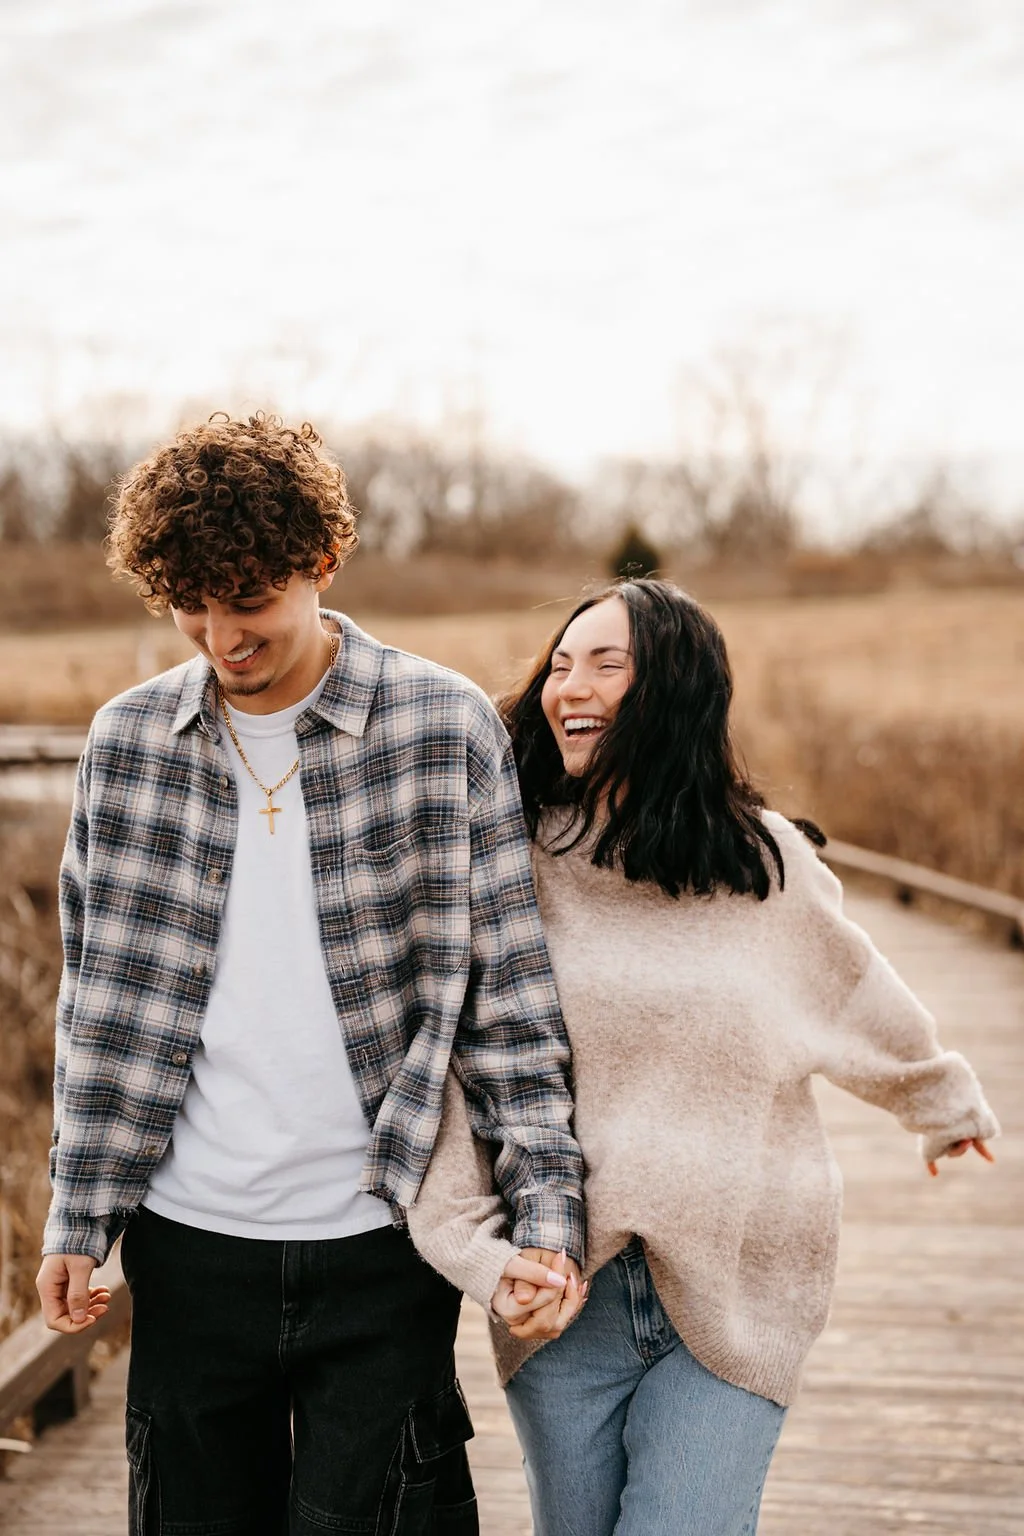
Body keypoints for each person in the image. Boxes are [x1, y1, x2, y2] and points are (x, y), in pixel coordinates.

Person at [35, 412, 584, 1536]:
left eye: (250, 601)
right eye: (191, 604)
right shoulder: (127, 742)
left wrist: (546, 1213)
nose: (221, 636)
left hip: (383, 1241)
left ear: (321, 565)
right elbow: (100, 1007)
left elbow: (508, 1001)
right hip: (188, 1252)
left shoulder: (442, 726)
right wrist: (76, 1213)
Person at [407, 577, 999, 1536]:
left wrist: (938, 1098)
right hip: (568, 1295)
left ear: (675, 688)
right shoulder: (511, 861)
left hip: (742, 1278)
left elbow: (851, 985)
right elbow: (467, 1068)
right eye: (560, 664)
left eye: (607, 662)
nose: (570, 687)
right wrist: (480, 1248)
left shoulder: (761, 863)